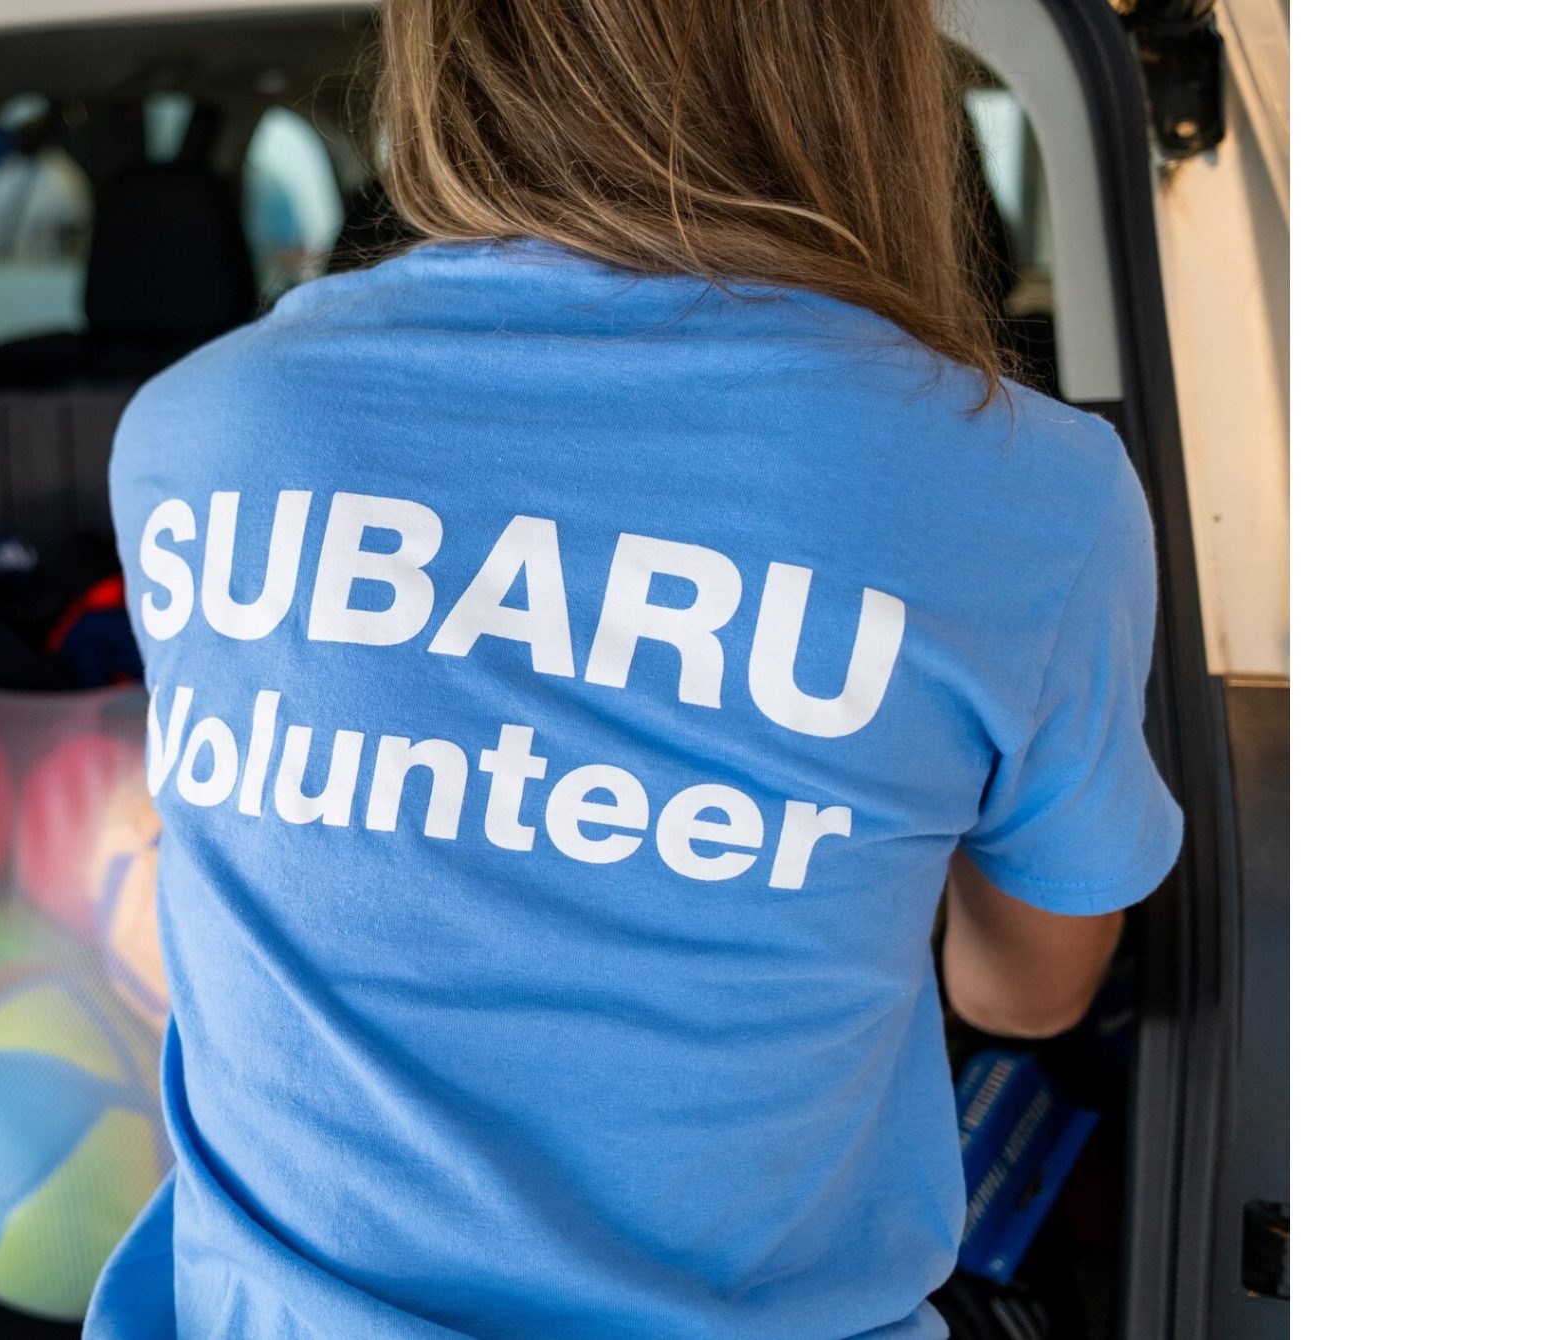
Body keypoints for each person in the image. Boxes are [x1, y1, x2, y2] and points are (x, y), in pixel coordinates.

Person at [87, 1, 1182, 1337]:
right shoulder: (1032, 495)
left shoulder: (195, 434)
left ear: (451, 58)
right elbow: (1021, 992)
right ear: (869, 72)